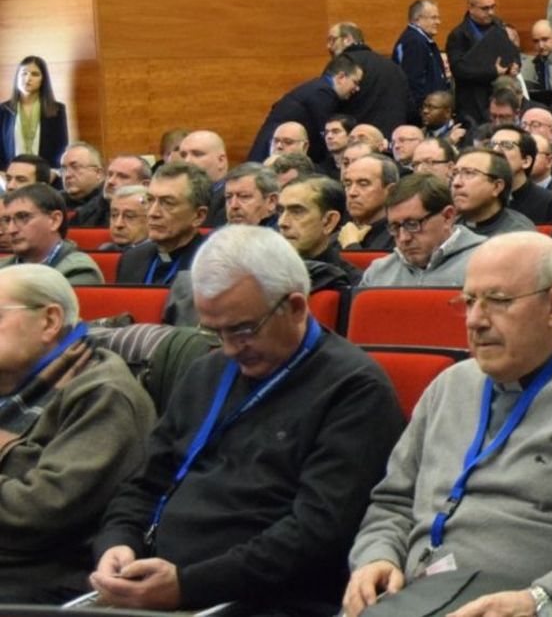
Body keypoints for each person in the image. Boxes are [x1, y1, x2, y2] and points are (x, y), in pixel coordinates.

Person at [343, 232, 552, 617]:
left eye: (497, 301)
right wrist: (376, 556)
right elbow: (393, 501)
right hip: (412, 596)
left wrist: (542, 599)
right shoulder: (450, 384)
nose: (476, 320)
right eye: (467, 301)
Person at [90, 226, 403, 615]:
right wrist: (119, 541)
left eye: (242, 329)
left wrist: (188, 586)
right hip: (160, 584)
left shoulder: (355, 389)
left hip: (266, 598)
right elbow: (146, 481)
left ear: (295, 307)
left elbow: (318, 534)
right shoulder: (206, 371)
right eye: (214, 331)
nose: (228, 348)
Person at [0, 265, 157, 602]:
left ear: (50, 321)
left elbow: (38, 514)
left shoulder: (104, 393)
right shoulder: (12, 385)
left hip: (46, 573)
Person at [359, 174, 488, 289]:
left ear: (448, 216)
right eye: (395, 227)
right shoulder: (378, 272)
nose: (404, 238)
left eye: (412, 224)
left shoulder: (488, 263)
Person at [247, 54, 364, 166]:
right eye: (355, 82)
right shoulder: (322, 93)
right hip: (272, 156)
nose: (357, 88)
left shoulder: (317, 87)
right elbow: (324, 133)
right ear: (341, 77)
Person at [116, 164, 209, 288]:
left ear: (198, 216)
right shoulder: (132, 259)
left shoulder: (211, 266)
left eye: (168, 203)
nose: (153, 213)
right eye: (149, 200)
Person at [446, 0, 523, 126]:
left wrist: (515, 66)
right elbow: (459, 70)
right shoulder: (458, 35)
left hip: (501, 94)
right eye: (485, 8)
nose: (491, 12)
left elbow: (513, 52)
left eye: (493, 7)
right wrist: (493, 72)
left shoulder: (499, 26)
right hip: (473, 102)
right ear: (471, 8)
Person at [0, 184, 101, 283]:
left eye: (23, 217)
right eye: (7, 220)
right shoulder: (2, 267)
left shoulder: (79, 270)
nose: (11, 230)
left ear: (54, 220)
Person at [276, 176, 362, 293]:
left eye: (297, 211)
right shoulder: (260, 271)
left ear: (329, 221)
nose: (282, 222)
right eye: (281, 211)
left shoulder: (351, 284)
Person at [328, 22, 410, 138]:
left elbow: (328, 103)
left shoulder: (341, 65)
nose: (328, 46)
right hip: (391, 142)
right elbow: (409, 106)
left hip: (357, 142)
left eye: (332, 40)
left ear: (347, 39)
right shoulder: (393, 66)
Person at [452, 148, 537, 238]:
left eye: (469, 173)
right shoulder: (446, 226)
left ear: (497, 187)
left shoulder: (519, 235)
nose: (456, 183)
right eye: (454, 174)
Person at [0, 56, 68, 166]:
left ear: (43, 80)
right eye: (24, 73)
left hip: (44, 177)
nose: (28, 78)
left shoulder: (57, 109)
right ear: (17, 76)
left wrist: (52, 173)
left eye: (35, 74)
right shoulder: (3, 110)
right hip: (10, 177)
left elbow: (61, 148)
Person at [391, 0, 449, 124]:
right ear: (417, 20)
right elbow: (413, 82)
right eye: (433, 18)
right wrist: (422, 113)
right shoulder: (414, 42)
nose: (438, 22)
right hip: (419, 116)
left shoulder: (422, 41)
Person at [339, 154, 399, 251]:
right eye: (348, 184)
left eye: (363, 184)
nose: (351, 193)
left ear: (390, 191)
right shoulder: (338, 237)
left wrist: (351, 247)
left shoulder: (400, 238)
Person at [221, 163, 280, 227]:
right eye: (228, 197)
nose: (233, 205)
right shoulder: (215, 235)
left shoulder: (283, 235)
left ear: (271, 201)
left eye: (244, 196)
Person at [105, 184, 151, 250]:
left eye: (129, 216)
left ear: (150, 219)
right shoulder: (106, 250)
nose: (118, 224)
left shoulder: (158, 256)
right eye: (114, 215)